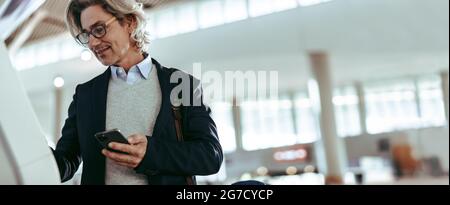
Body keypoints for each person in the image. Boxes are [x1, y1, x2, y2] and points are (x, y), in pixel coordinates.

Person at [51, 0, 223, 185]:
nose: (92, 43)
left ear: (130, 22)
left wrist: (150, 153)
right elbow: (66, 161)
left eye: (99, 29)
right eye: (86, 35)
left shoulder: (182, 85)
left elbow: (210, 155)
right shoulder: (85, 95)